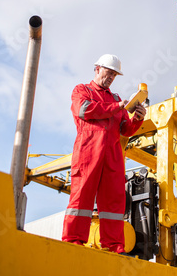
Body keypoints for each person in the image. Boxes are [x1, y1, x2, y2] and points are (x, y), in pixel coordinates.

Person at [62, 54, 147, 254]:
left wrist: (137, 118)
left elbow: (125, 129)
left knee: (113, 201)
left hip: (113, 155)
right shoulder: (82, 90)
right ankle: (74, 239)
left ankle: (114, 245)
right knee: (81, 196)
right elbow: (84, 110)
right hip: (87, 152)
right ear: (97, 69)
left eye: (114, 75)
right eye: (108, 73)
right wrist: (115, 107)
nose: (110, 78)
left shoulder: (117, 99)